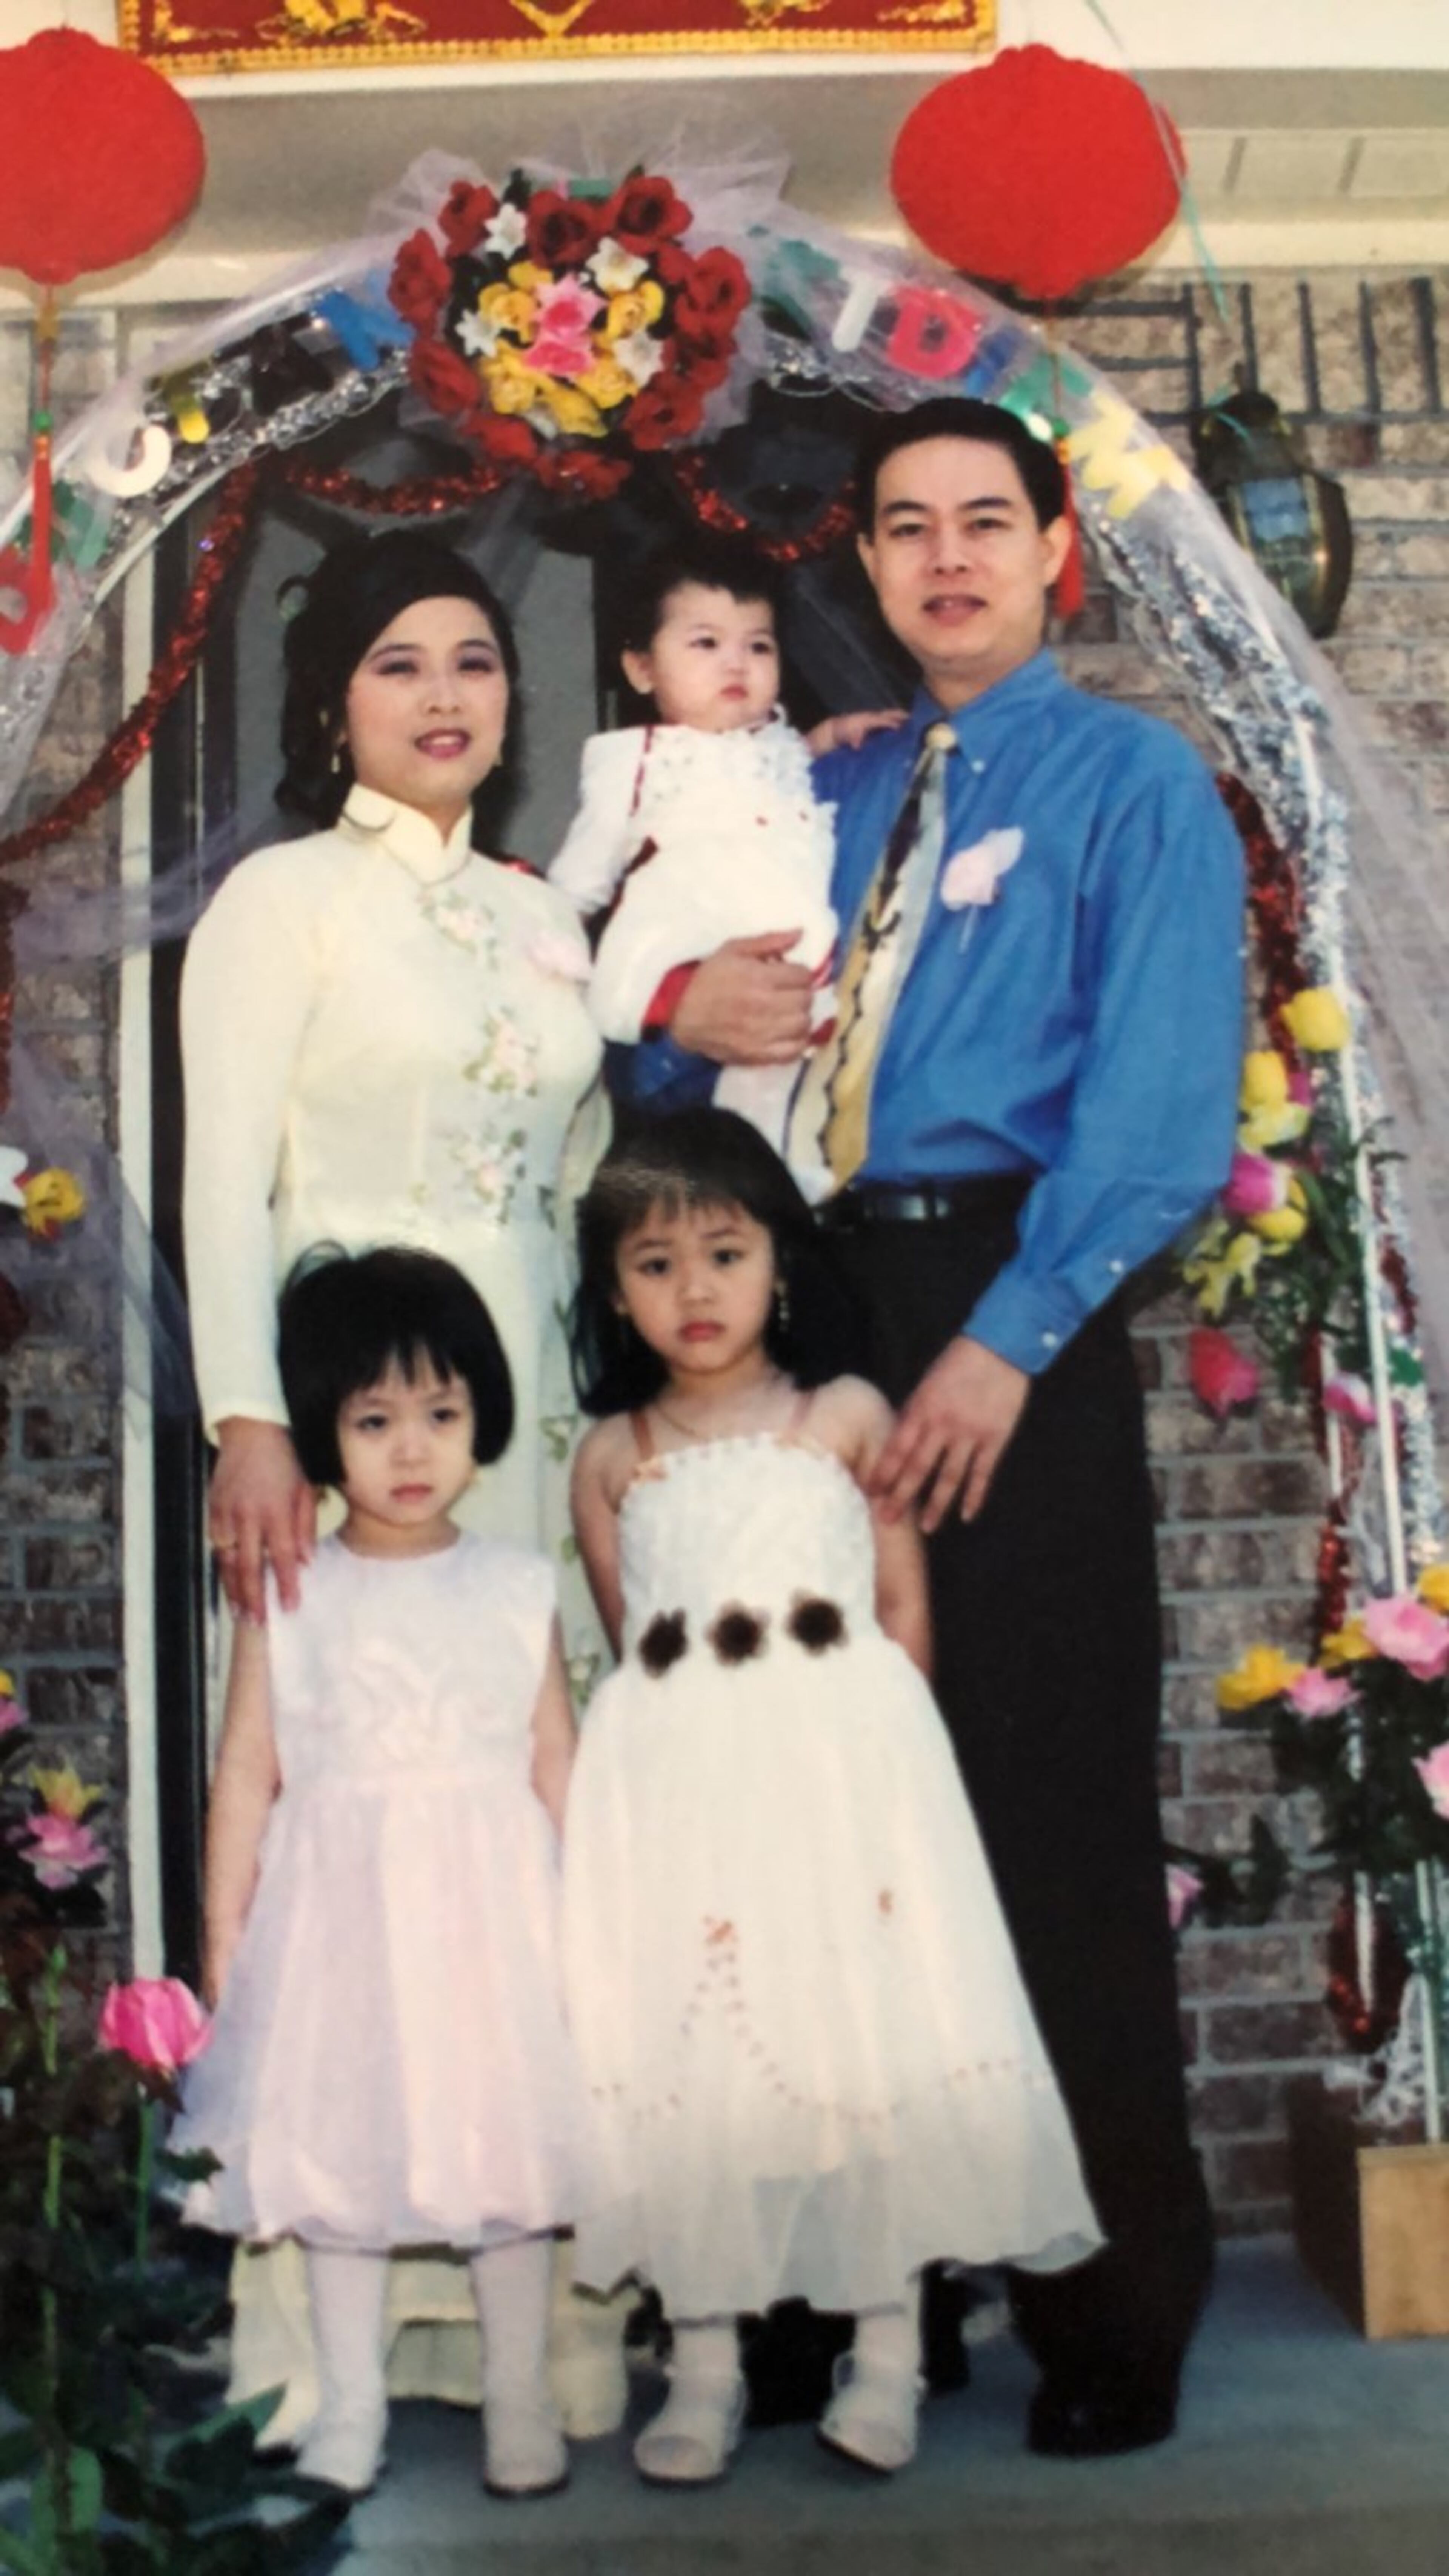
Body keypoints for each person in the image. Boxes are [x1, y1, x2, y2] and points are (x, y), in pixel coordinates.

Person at [617, 397, 1246, 2457]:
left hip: (1012, 1303)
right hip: (812, 1300)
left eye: (989, 519)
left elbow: (1162, 1107)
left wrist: (1011, 1336)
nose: (947, 556)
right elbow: (670, 1052)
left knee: (1042, 1809)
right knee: (807, 1808)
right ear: (866, 563)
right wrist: (671, 1013)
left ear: (1059, 547)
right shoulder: (821, 781)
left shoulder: (1132, 781)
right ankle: (846, 2288)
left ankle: (1109, 2302)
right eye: (906, 526)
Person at [180, 529, 617, 2440]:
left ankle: (545, 2334)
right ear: (331, 701)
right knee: (344, 1837)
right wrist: (248, 1418)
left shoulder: (539, 917)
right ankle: (326, 2338)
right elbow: (219, 1175)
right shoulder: (282, 901)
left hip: (527, 1409)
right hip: (351, 1418)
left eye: (474, 660)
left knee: (513, 1835)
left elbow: (585, 1167)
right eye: (397, 664)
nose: (445, 696)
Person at [563, 1109, 1101, 2486]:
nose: (694, 1289)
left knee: (865, 2048)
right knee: (701, 2062)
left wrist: (888, 1796)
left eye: (725, 1252)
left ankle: (888, 2354)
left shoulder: (848, 1415)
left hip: (840, 1789)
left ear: (781, 1264)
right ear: (613, 1290)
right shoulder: (611, 1454)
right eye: (654, 1264)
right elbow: (637, 1645)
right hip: (694, 1806)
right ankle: (704, 2364)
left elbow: (902, 1611)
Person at [174, 1247, 587, 2501]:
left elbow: (557, 1764)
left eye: (441, 1414)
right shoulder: (292, 1593)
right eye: (373, 1420)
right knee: (336, 2160)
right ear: (322, 1434)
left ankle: (519, 2393)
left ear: (481, 1423)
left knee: (506, 2160)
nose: (412, 1449)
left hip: (491, 1923)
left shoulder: (517, 1586)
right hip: (337, 1926)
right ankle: (350, 2401)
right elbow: (248, 1769)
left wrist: (587, 1929)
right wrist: (225, 1934)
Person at [548, 532, 899, 1202]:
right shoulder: (636, 759)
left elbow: (781, 766)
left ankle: (789, 1187)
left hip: (789, 951)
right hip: (688, 940)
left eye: (758, 646)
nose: (736, 663)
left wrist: (832, 735)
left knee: (780, 1076)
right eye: (706, 644)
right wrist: (555, 933)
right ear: (642, 668)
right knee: (721, 1111)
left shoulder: (775, 744)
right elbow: (585, 869)